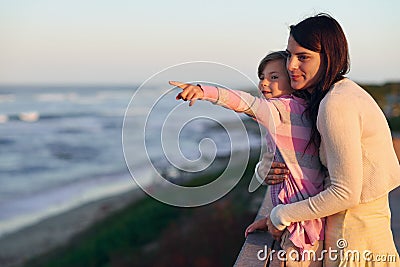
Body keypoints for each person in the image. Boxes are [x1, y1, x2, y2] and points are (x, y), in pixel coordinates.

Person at [256, 13, 400, 266]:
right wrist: (264, 170)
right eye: (289, 54)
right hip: (355, 233)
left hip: (352, 238)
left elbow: (345, 192)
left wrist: (281, 215)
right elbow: (310, 168)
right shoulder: (337, 94)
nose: (290, 65)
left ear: (329, 58)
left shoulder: (336, 104)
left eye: (303, 57)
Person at [170, 51, 326, 266]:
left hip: (301, 223)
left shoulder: (280, 109)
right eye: (262, 76)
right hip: (300, 215)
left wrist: (203, 91)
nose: (264, 83)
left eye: (274, 77)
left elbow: (244, 102)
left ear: (293, 80)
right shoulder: (300, 110)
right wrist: (272, 216)